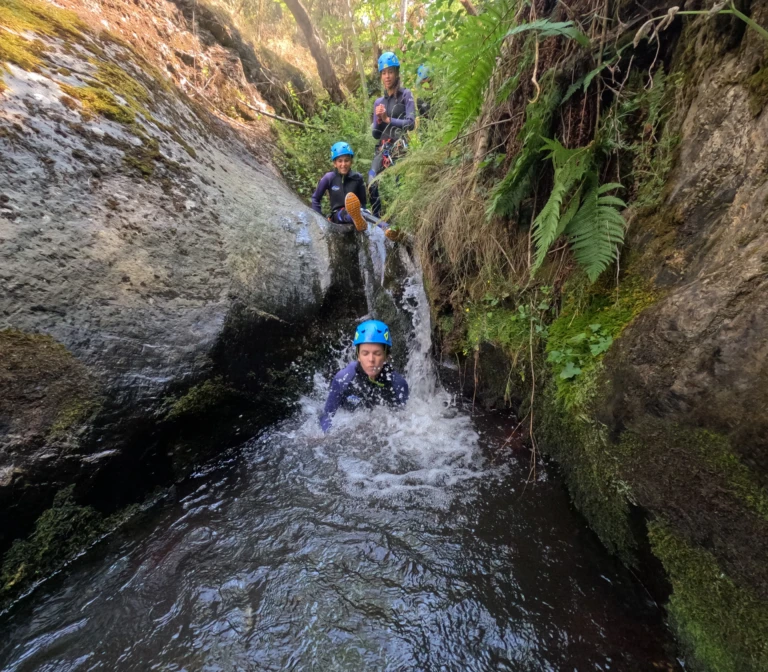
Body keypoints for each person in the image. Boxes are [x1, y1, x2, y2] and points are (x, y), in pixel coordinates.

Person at [319, 320, 409, 432]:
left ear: (386, 356)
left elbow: (403, 424)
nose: (371, 359)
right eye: (365, 353)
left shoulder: (398, 384)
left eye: (377, 353)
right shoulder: (343, 378)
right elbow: (326, 416)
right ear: (358, 355)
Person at [369, 52, 415, 218]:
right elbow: (376, 134)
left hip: (399, 146)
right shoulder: (378, 102)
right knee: (371, 182)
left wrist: (388, 119)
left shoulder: (405, 95)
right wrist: (378, 120)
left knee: (398, 187)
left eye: (390, 72)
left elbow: (411, 123)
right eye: (384, 73)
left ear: (396, 73)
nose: (387, 76)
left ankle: (399, 220)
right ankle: (376, 218)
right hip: (383, 148)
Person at [312, 141, 368, 232]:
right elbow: (315, 199)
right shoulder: (329, 178)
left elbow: (363, 203)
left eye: (346, 160)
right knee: (345, 214)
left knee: (366, 214)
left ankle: (386, 227)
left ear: (351, 161)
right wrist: (319, 219)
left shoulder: (358, 178)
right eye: (340, 161)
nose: (343, 164)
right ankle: (355, 218)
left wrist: (364, 211)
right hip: (338, 215)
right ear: (335, 163)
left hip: (358, 211)